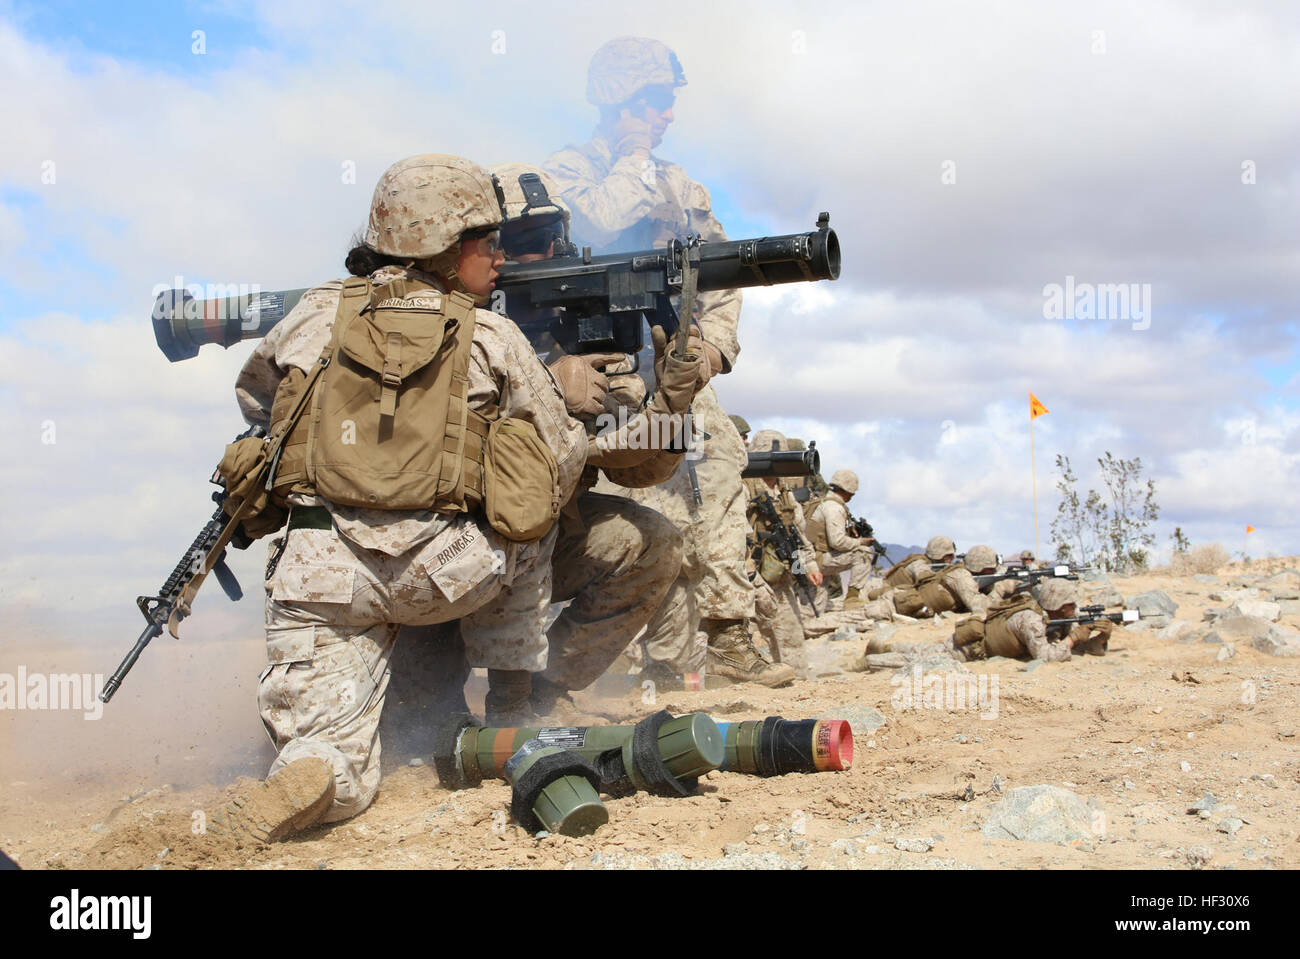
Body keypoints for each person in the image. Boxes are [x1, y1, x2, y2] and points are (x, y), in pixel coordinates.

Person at [209, 154, 591, 842]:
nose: (499, 259)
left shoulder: (313, 316)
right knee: (532, 491)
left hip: (322, 577)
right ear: (446, 250)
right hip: (447, 577)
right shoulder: (494, 336)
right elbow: (562, 459)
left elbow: (258, 403)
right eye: (487, 243)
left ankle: (318, 767)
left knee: (329, 760)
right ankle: (510, 700)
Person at [385, 163, 700, 727]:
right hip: (426, 553)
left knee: (651, 543)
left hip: (535, 542)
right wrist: (551, 386)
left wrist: (673, 407)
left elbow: (634, 467)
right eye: (508, 243)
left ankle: (543, 689)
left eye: (545, 240)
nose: (525, 258)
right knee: (420, 723)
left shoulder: (580, 335)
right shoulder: (419, 325)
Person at [546, 37, 781, 688]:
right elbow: (598, 219)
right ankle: (653, 664)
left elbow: (723, 275)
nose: (666, 116)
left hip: (676, 368)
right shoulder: (564, 175)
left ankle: (731, 637)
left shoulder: (681, 185)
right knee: (647, 509)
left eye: (667, 104)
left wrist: (711, 349)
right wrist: (633, 160)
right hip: (605, 381)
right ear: (617, 103)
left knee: (723, 483)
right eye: (653, 103)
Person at [743, 429, 821, 680]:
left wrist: (808, 565)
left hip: (780, 575)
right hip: (748, 576)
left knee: (791, 635)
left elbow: (797, 533)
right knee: (743, 636)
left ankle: (796, 683)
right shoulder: (742, 487)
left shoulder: (785, 493)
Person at [952, 578, 1114, 662]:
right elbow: (1045, 657)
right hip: (965, 650)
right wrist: (1073, 638)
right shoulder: (1031, 620)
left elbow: (1077, 650)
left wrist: (1101, 638)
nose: (1075, 607)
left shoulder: (1063, 617)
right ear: (1059, 605)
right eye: (1070, 604)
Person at [809, 469, 879, 611]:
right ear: (848, 490)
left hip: (814, 558)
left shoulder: (826, 503)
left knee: (814, 610)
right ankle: (852, 599)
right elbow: (837, 542)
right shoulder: (834, 508)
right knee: (864, 553)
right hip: (819, 559)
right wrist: (860, 542)